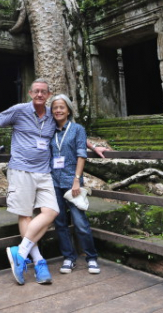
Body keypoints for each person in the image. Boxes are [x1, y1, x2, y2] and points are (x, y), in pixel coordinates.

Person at [0, 78, 58, 285]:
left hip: (44, 172)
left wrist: (91, 146)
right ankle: (39, 262)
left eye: (43, 92)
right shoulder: (19, 110)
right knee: (25, 214)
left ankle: (21, 250)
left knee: (51, 212)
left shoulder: (52, 116)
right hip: (21, 170)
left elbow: (71, 129)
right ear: (29, 93)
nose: (39, 95)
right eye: (36, 91)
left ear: (48, 95)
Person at [49, 94, 101, 275]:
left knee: (80, 222)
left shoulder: (77, 129)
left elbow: (81, 154)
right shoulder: (50, 131)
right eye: (55, 107)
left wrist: (77, 179)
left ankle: (91, 257)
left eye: (61, 107)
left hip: (73, 182)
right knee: (60, 222)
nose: (58, 110)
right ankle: (69, 257)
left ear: (69, 110)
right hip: (54, 181)